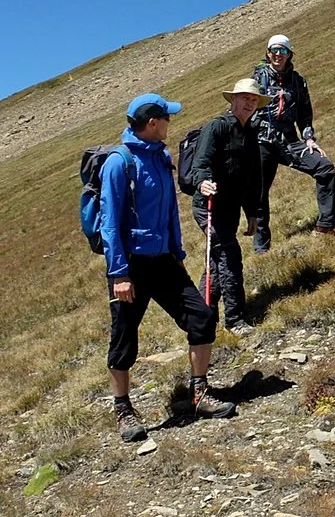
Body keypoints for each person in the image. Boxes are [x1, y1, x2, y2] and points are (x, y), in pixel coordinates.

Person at [102, 94, 238, 443]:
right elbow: (109, 223)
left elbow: (168, 210)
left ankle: (199, 393)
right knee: (123, 339)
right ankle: (122, 409)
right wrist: (118, 274)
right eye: (166, 118)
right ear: (152, 123)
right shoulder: (120, 163)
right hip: (130, 266)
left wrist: (176, 250)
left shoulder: (161, 157)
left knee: (202, 317)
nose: (169, 123)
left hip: (164, 260)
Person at [251, 35, 335, 249]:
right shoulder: (257, 78)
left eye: (283, 51)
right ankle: (262, 247)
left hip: (289, 141)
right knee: (259, 193)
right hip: (261, 140)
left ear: (290, 54)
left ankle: (327, 223)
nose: (278, 54)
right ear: (268, 53)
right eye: (274, 50)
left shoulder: (297, 81)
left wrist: (308, 138)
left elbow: (305, 113)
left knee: (325, 167)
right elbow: (244, 108)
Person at [186, 78, 266, 336]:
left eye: (254, 100)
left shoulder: (251, 133)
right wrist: (203, 182)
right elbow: (201, 163)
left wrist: (252, 213)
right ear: (232, 100)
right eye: (245, 98)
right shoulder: (217, 127)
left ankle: (201, 318)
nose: (250, 103)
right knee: (230, 258)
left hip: (230, 209)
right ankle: (234, 320)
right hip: (208, 205)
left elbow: (254, 177)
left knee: (217, 261)